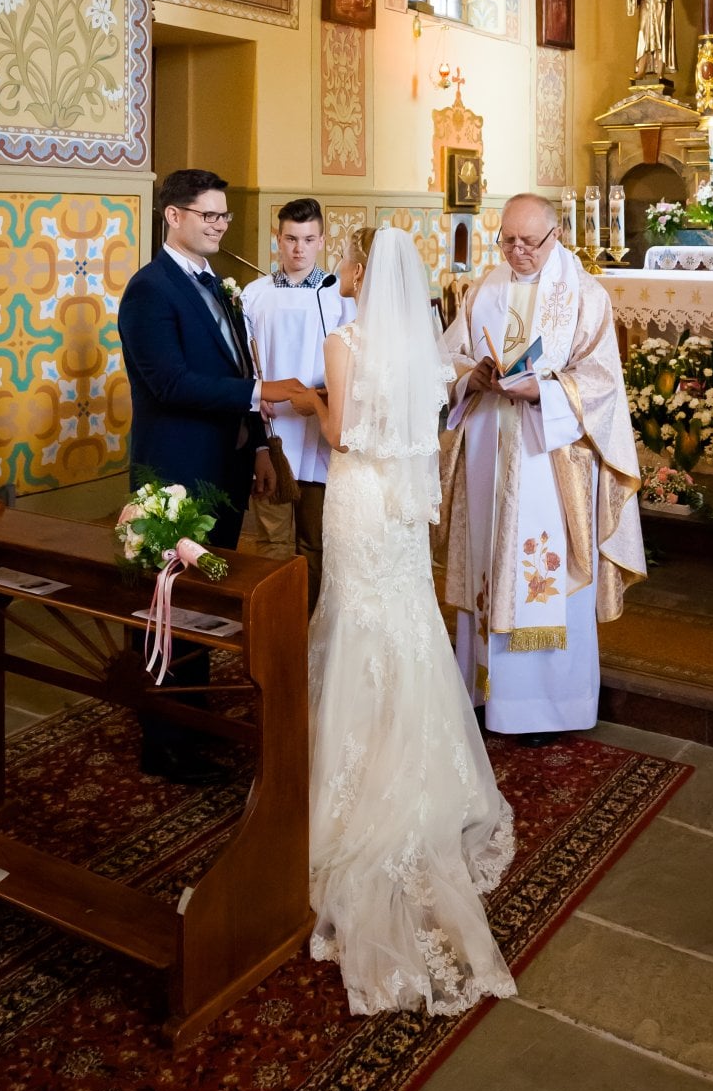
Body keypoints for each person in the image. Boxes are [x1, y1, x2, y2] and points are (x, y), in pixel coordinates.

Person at [283, 227, 516, 1016]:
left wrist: (308, 397)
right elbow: (426, 425)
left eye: (346, 264)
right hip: (401, 515)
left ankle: (355, 774)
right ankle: (410, 761)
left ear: (355, 271)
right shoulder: (423, 349)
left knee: (354, 624)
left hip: (356, 498)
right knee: (405, 627)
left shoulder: (346, 339)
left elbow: (344, 433)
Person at [118, 167, 303, 783]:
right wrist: (261, 390)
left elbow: (233, 366)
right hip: (173, 471)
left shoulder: (218, 286)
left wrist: (253, 448)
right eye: (209, 215)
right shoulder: (151, 290)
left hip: (220, 467)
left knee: (200, 605)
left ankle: (191, 722)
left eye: (224, 215)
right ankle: (164, 741)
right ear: (173, 216)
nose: (220, 225)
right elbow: (169, 383)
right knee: (168, 604)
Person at [439, 194, 646, 742]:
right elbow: (449, 357)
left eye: (529, 241)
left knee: (541, 576)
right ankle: (486, 695)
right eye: (508, 239)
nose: (518, 250)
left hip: (549, 461)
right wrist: (471, 377)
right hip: (488, 453)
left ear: (556, 236)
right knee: (488, 561)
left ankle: (548, 707)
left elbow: (603, 383)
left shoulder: (584, 296)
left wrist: (544, 391)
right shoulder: (485, 288)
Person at [240, 198, 353, 611]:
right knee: (270, 538)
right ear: (277, 238)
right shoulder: (255, 295)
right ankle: (273, 619)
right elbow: (244, 359)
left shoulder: (338, 297)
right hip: (272, 434)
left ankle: (313, 619)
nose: (298, 249)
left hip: (318, 431)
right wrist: (256, 396)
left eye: (308, 239)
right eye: (290, 238)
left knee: (315, 540)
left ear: (322, 240)